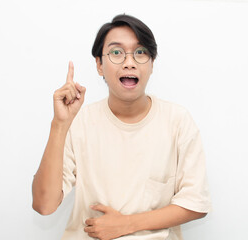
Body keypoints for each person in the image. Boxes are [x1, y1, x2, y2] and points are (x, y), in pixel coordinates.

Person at [32, 14, 212, 240]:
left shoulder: (177, 121)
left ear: (152, 64)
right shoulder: (78, 123)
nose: (129, 62)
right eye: (116, 52)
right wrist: (59, 124)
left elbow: (196, 203)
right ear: (99, 64)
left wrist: (126, 224)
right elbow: (43, 205)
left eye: (140, 52)